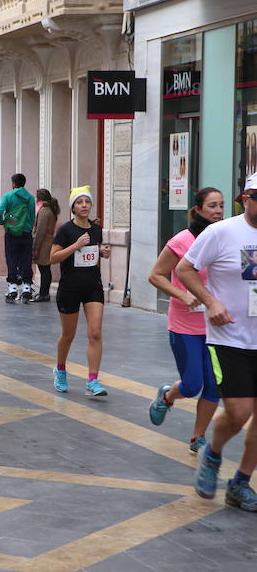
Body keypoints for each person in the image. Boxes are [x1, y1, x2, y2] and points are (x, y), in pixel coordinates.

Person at [177, 174, 257, 511]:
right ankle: (212, 455)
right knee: (239, 412)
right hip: (230, 338)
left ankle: (240, 482)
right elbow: (185, 269)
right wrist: (211, 302)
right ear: (245, 198)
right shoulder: (221, 232)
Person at [147, 187, 224, 452]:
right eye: (212, 206)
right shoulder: (182, 240)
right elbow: (156, 275)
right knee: (192, 385)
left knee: (214, 388)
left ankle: (198, 437)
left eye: (221, 206)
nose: (218, 211)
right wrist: (183, 295)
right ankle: (167, 396)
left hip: (218, 327)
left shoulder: (223, 238)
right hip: (185, 326)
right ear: (198, 210)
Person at [50, 186, 110, 397]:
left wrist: (102, 251)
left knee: (95, 333)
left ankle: (93, 381)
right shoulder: (66, 230)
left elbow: (93, 251)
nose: (84, 205)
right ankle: (60, 369)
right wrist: (75, 245)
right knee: (68, 334)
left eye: (87, 202)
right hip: (70, 288)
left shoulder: (96, 230)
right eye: (79, 202)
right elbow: (53, 257)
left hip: (93, 286)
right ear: (73, 207)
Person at [0, 173, 36, 303]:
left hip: (12, 232)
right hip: (26, 232)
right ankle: (27, 287)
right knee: (26, 259)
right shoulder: (30, 198)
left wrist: (3, 223)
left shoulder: (8, 196)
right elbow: (32, 215)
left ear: (13, 183)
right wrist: (27, 226)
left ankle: (12, 287)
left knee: (11, 258)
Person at [31, 188, 60, 302]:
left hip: (44, 244)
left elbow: (40, 230)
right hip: (47, 242)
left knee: (44, 269)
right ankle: (44, 292)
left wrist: (35, 246)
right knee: (45, 269)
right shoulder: (50, 209)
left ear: (39, 198)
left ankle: (44, 293)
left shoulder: (44, 211)